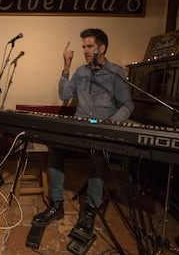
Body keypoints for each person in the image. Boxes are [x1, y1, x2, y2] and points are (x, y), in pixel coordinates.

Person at [32, 28, 134, 236]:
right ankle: (56, 204)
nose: (85, 51)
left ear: (101, 48)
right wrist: (66, 65)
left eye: (89, 47)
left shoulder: (116, 73)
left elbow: (128, 104)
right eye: (84, 47)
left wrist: (112, 122)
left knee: (98, 154)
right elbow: (64, 93)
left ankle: (89, 210)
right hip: (79, 127)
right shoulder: (81, 72)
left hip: (101, 129)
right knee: (55, 148)